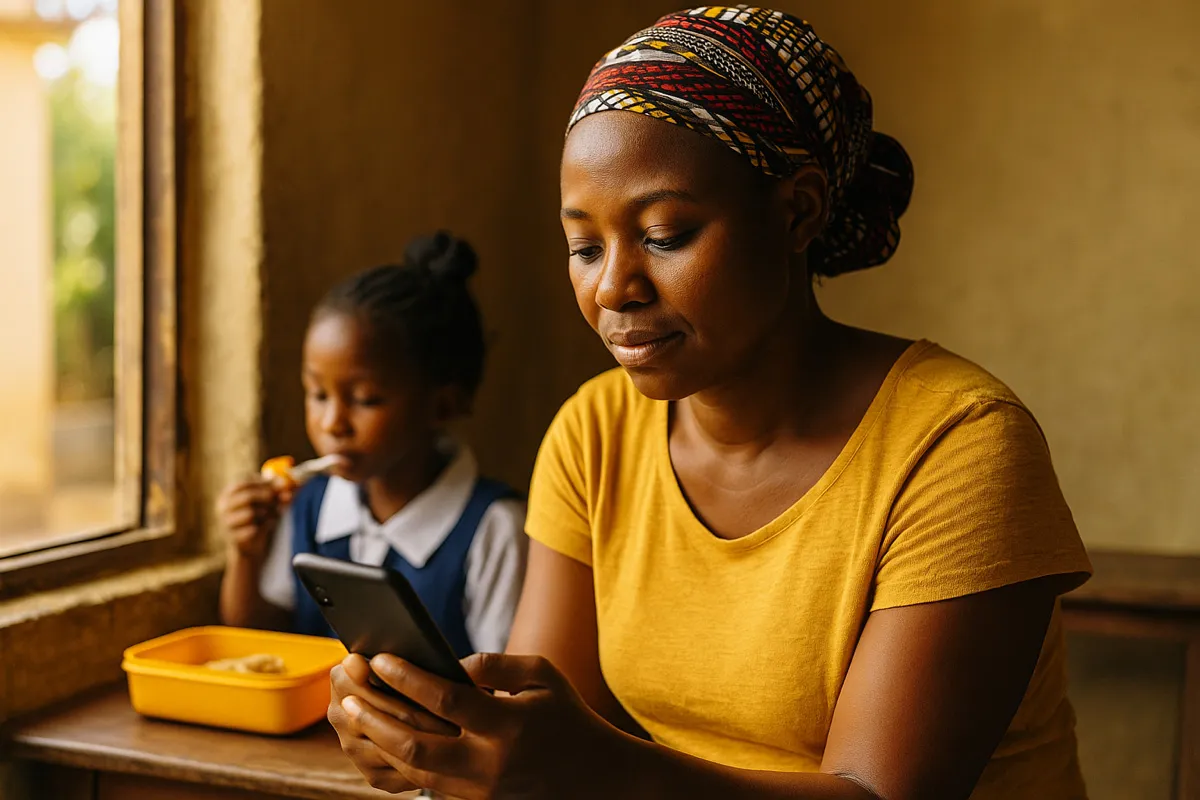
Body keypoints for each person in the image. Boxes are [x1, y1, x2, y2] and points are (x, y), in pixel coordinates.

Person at [327, 8, 1092, 799]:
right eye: (584, 247)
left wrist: (591, 766)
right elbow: (547, 723)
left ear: (798, 211)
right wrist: (450, 746)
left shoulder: (958, 447)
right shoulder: (596, 434)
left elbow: (877, 793)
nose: (614, 288)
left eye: (663, 235)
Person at [217, 232, 528, 657]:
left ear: (442, 404)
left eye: (365, 400)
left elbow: (508, 689)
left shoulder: (492, 529)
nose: (332, 423)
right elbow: (259, 640)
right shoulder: (307, 506)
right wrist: (245, 554)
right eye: (318, 394)